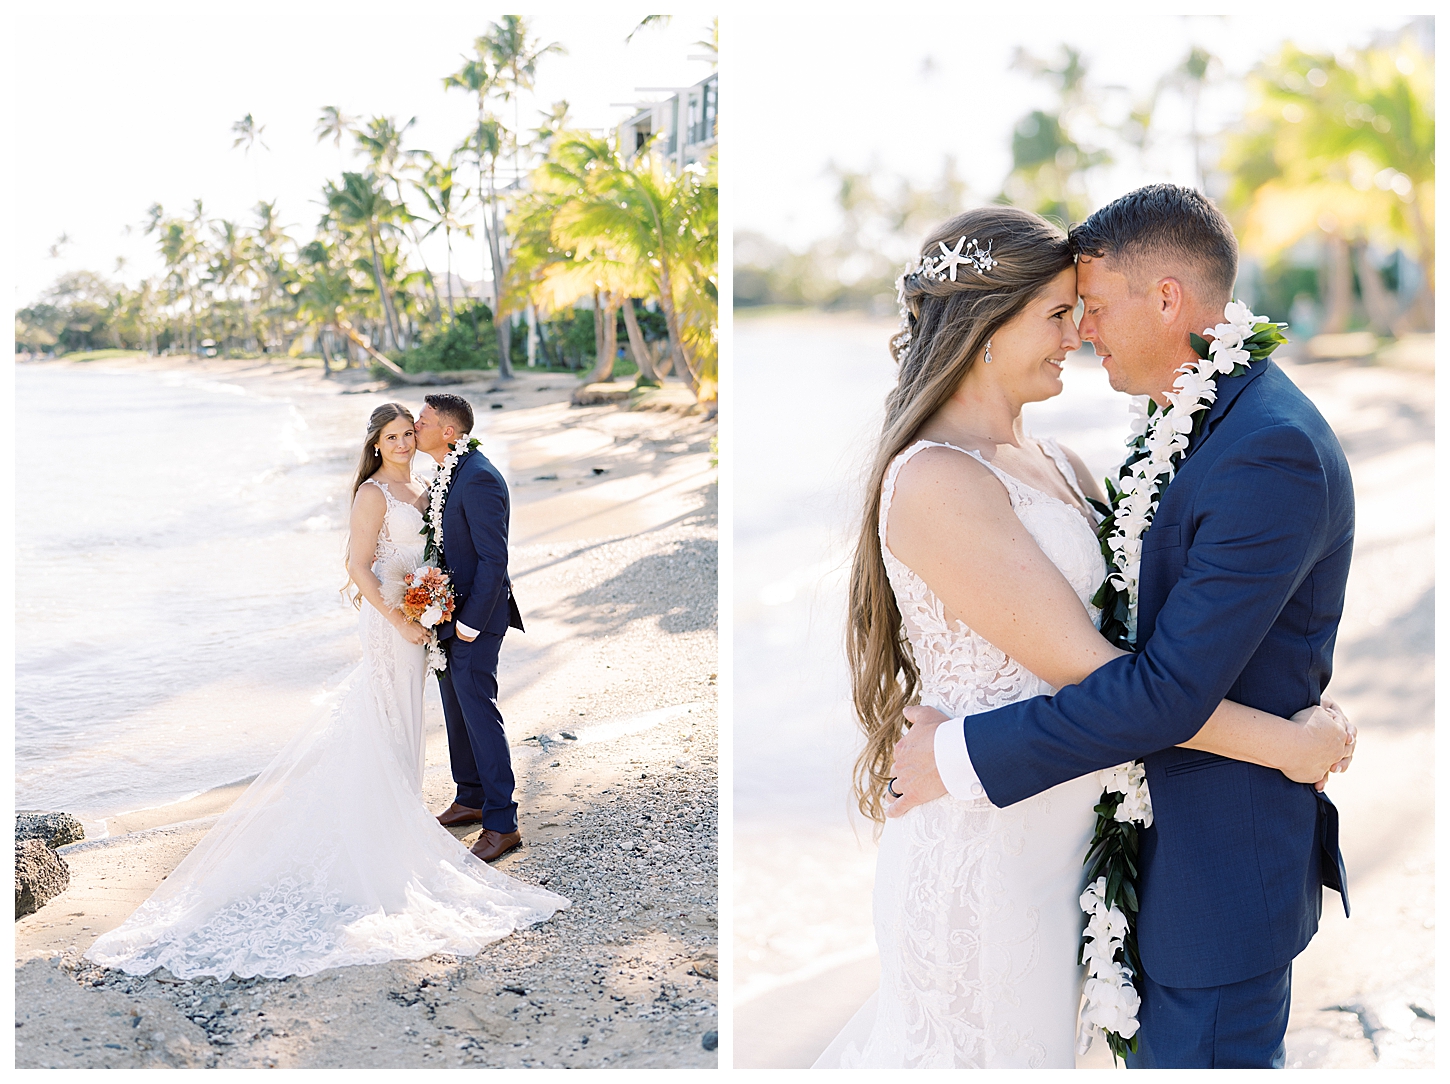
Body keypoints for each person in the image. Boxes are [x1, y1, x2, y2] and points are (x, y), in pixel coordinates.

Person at [814, 202, 1353, 1069]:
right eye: (1061, 314)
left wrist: (1295, 737)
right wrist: (1288, 744)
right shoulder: (936, 482)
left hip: (1071, 845)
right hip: (993, 849)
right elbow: (1116, 672)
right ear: (987, 327)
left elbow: (1153, 665)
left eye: (1084, 309)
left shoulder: (1063, 462)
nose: (1078, 334)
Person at [84, 403, 566, 981]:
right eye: (394, 434)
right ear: (376, 442)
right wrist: (402, 618)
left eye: (412, 431)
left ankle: (476, 810)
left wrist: (444, 613)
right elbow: (359, 565)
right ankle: (421, 810)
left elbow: (476, 555)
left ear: (439, 432)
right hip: (401, 622)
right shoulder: (374, 493)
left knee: (442, 711)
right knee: (394, 713)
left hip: (440, 618)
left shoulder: (442, 480)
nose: (406, 440)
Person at [413, 393, 527, 862]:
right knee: (456, 709)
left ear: (448, 432)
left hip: (475, 620)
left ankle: (502, 823)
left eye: (421, 420)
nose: (414, 426)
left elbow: (493, 560)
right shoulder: (448, 472)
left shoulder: (478, 478)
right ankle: (471, 797)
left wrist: (469, 627)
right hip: (444, 615)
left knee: (479, 712)